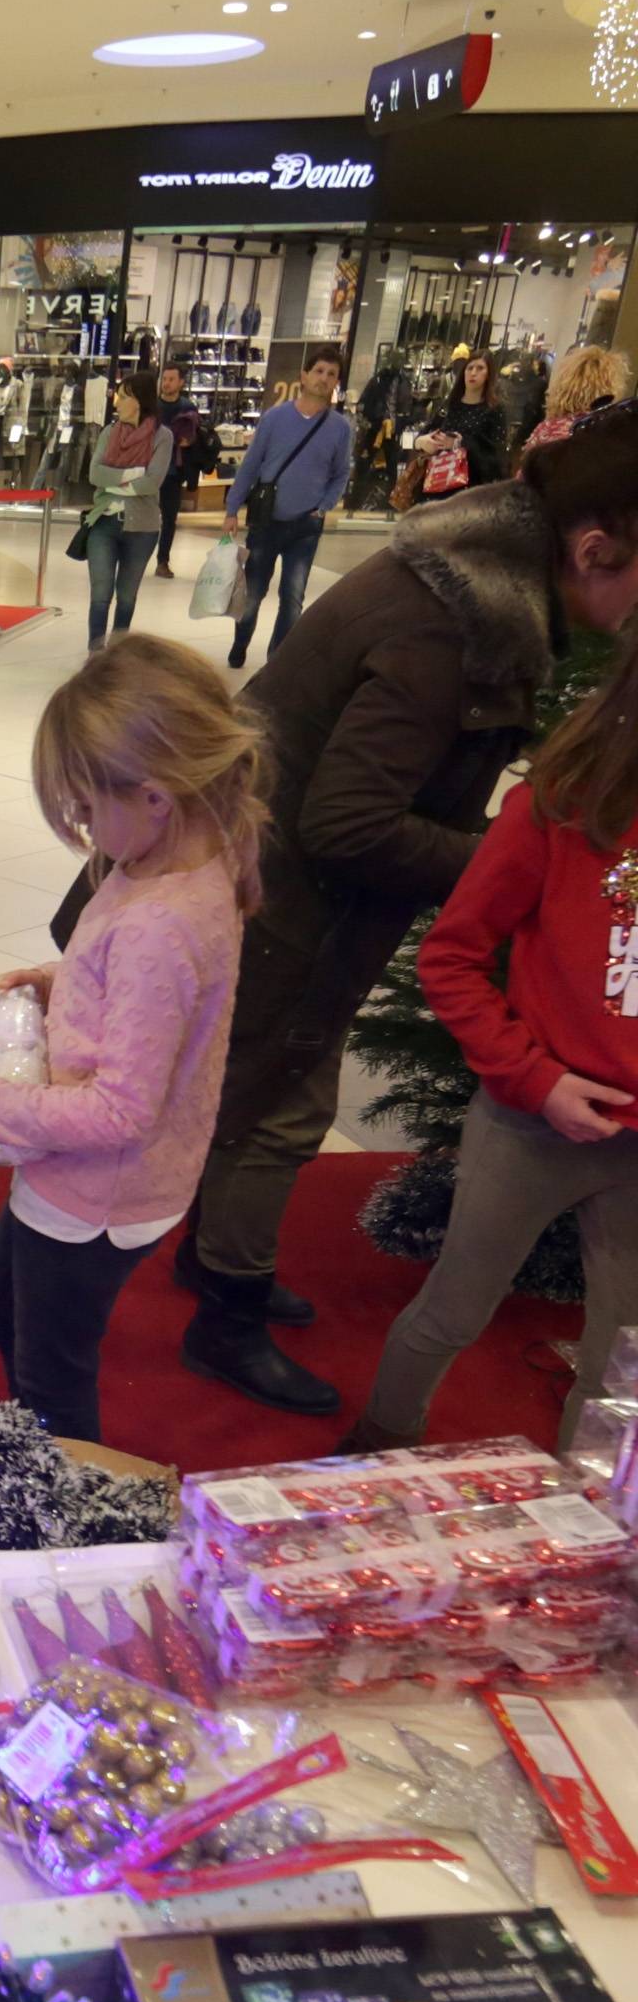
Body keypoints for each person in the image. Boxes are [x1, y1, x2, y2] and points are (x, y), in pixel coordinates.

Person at [177, 410, 638, 1416]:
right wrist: (518, 867)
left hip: (266, 882)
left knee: (255, 1093)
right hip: (280, 902)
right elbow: (347, 820)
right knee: (281, 1111)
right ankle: (226, 1313)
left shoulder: (467, 576)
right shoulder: (457, 626)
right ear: (595, 549)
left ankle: (213, 1265)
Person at [0, 635, 263, 1445]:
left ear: (154, 796)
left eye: (84, 807)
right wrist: (62, 981)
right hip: (105, 1180)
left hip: (96, 1193)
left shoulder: (159, 923)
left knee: (50, 1377)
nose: (79, 826)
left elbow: (119, 1111)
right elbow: (152, 1008)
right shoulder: (187, 858)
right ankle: (37, 1458)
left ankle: (63, 1516)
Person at [345, 636, 638, 1455]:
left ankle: (593, 1519)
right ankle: (374, 1454)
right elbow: (452, 957)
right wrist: (534, 1079)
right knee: (452, 1308)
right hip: (531, 1122)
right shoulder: (564, 802)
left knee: (624, 1357)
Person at [222, 346, 351, 668]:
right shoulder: (274, 419)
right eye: (319, 371)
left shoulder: (340, 428)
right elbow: (251, 465)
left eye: (331, 374)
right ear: (304, 376)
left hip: (306, 526)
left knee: (292, 598)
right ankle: (240, 643)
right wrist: (231, 507)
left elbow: (340, 473)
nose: (324, 379)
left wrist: (323, 507)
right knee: (253, 594)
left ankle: (277, 662)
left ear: (337, 382)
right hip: (267, 521)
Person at [81, 370, 170, 652]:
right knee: (100, 594)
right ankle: (95, 656)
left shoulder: (162, 437)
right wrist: (133, 474)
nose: (116, 402)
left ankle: (118, 656)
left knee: (127, 596)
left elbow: (152, 482)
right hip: (104, 523)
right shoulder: (109, 433)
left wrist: (115, 481)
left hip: (141, 528)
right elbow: (95, 474)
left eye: (123, 396)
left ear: (139, 401)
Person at [519, 344, 632, 462]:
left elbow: (525, 476)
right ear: (612, 388)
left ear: (563, 385)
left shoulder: (548, 431)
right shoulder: (610, 438)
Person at [420, 351, 507, 504]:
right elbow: (424, 433)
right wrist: (422, 442)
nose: (473, 373)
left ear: (489, 374)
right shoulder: (450, 404)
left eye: (480, 368)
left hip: (473, 492)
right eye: (470, 368)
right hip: (438, 487)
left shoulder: (494, 409)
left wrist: (459, 444)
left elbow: (496, 458)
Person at [153, 363, 205, 580]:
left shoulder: (188, 408)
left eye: (171, 379)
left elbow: (195, 439)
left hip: (173, 472)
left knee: (169, 518)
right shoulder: (152, 406)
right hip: (148, 469)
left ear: (181, 382)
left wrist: (189, 442)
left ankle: (162, 561)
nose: (166, 383)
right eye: (164, 379)